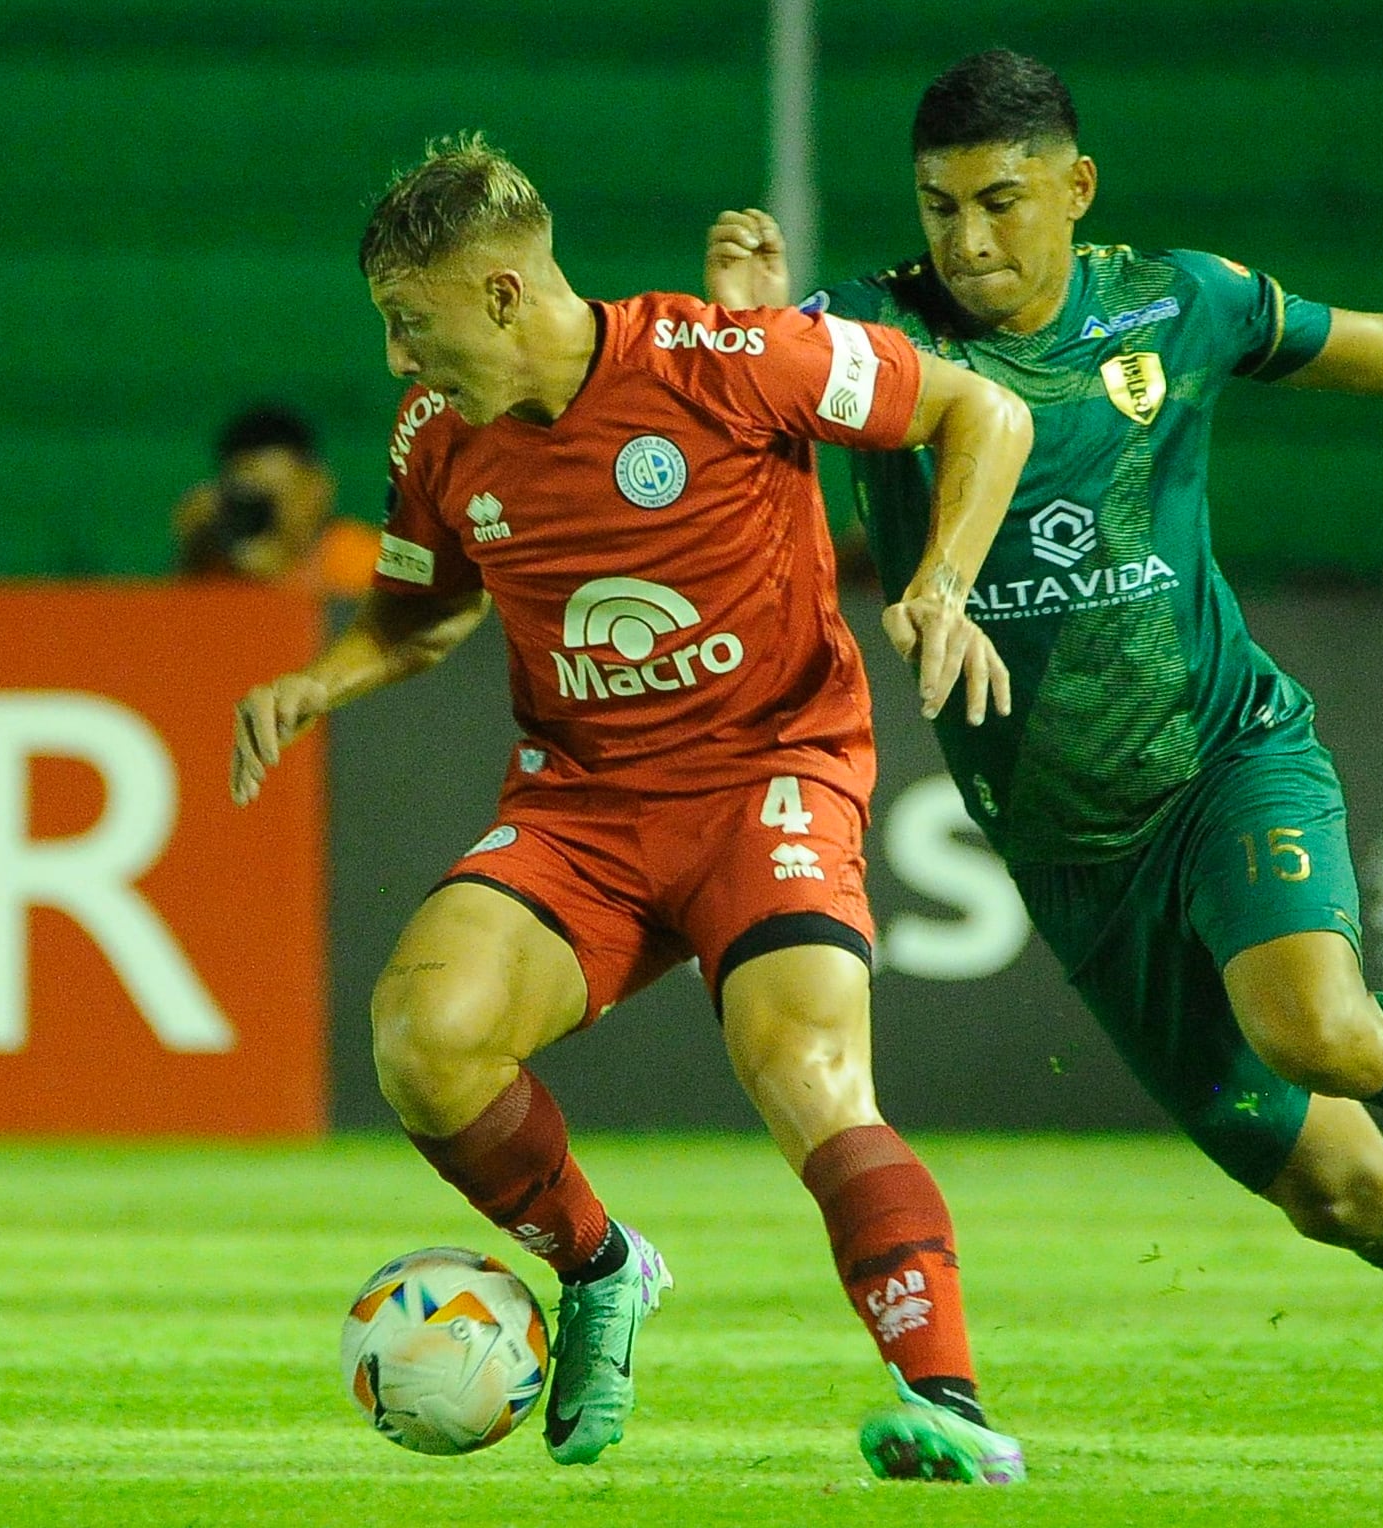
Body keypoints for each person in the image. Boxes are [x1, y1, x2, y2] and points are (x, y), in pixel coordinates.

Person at [707, 49, 1383, 1464]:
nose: (967, 240)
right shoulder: (873, 338)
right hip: (1072, 859)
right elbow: (709, 432)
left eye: (1002, 202)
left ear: (1075, 190)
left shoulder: (1179, 300)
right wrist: (742, 335)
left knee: (1314, 1027)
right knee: (1336, 1192)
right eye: (939, 206)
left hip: (1222, 760)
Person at [232, 136, 1035, 1484]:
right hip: (582, 808)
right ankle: (603, 1271)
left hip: (765, 775)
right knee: (423, 1043)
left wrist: (942, 586)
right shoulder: (439, 437)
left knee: (804, 1069)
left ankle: (947, 1403)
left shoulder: (721, 363)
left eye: (404, 322)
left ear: (498, 295)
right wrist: (321, 679)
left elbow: (981, 414)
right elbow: (420, 617)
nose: (392, 362)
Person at [174, 405, 380, 595]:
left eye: (268, 500)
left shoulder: (363, 563)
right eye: (243, 501)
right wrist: (194, 552)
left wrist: (276, 578)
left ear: (317, 487)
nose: (257, 514)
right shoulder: (218, 566)